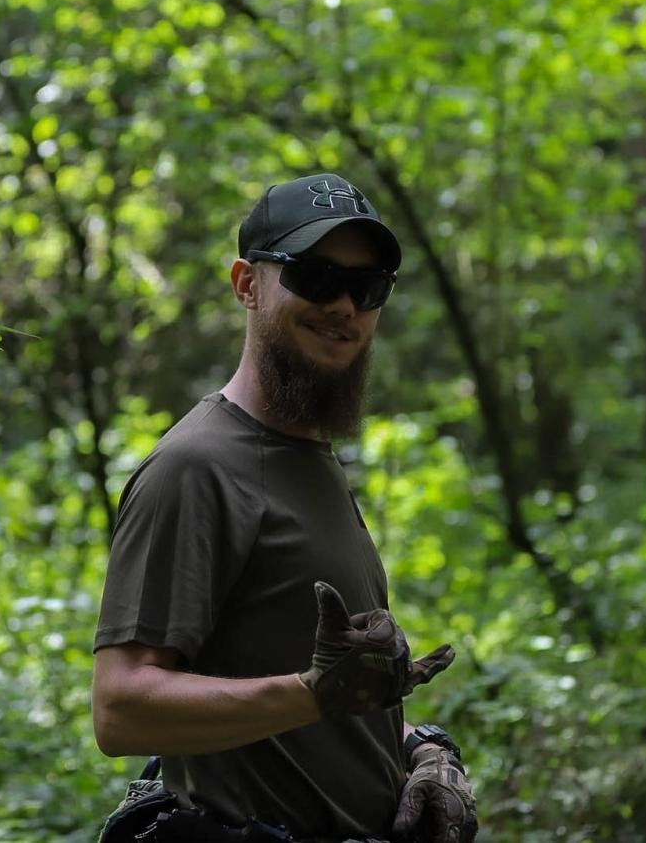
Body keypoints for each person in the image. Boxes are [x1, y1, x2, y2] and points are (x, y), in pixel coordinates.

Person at [92, 173, 480, 843]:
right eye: (316, 278)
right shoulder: (196, 467)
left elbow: (310, 702)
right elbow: (122, 708)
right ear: (248, 284)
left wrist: (421, 749)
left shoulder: (310, 456)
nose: (345, 306)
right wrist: (315, 693)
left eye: (367, 287)